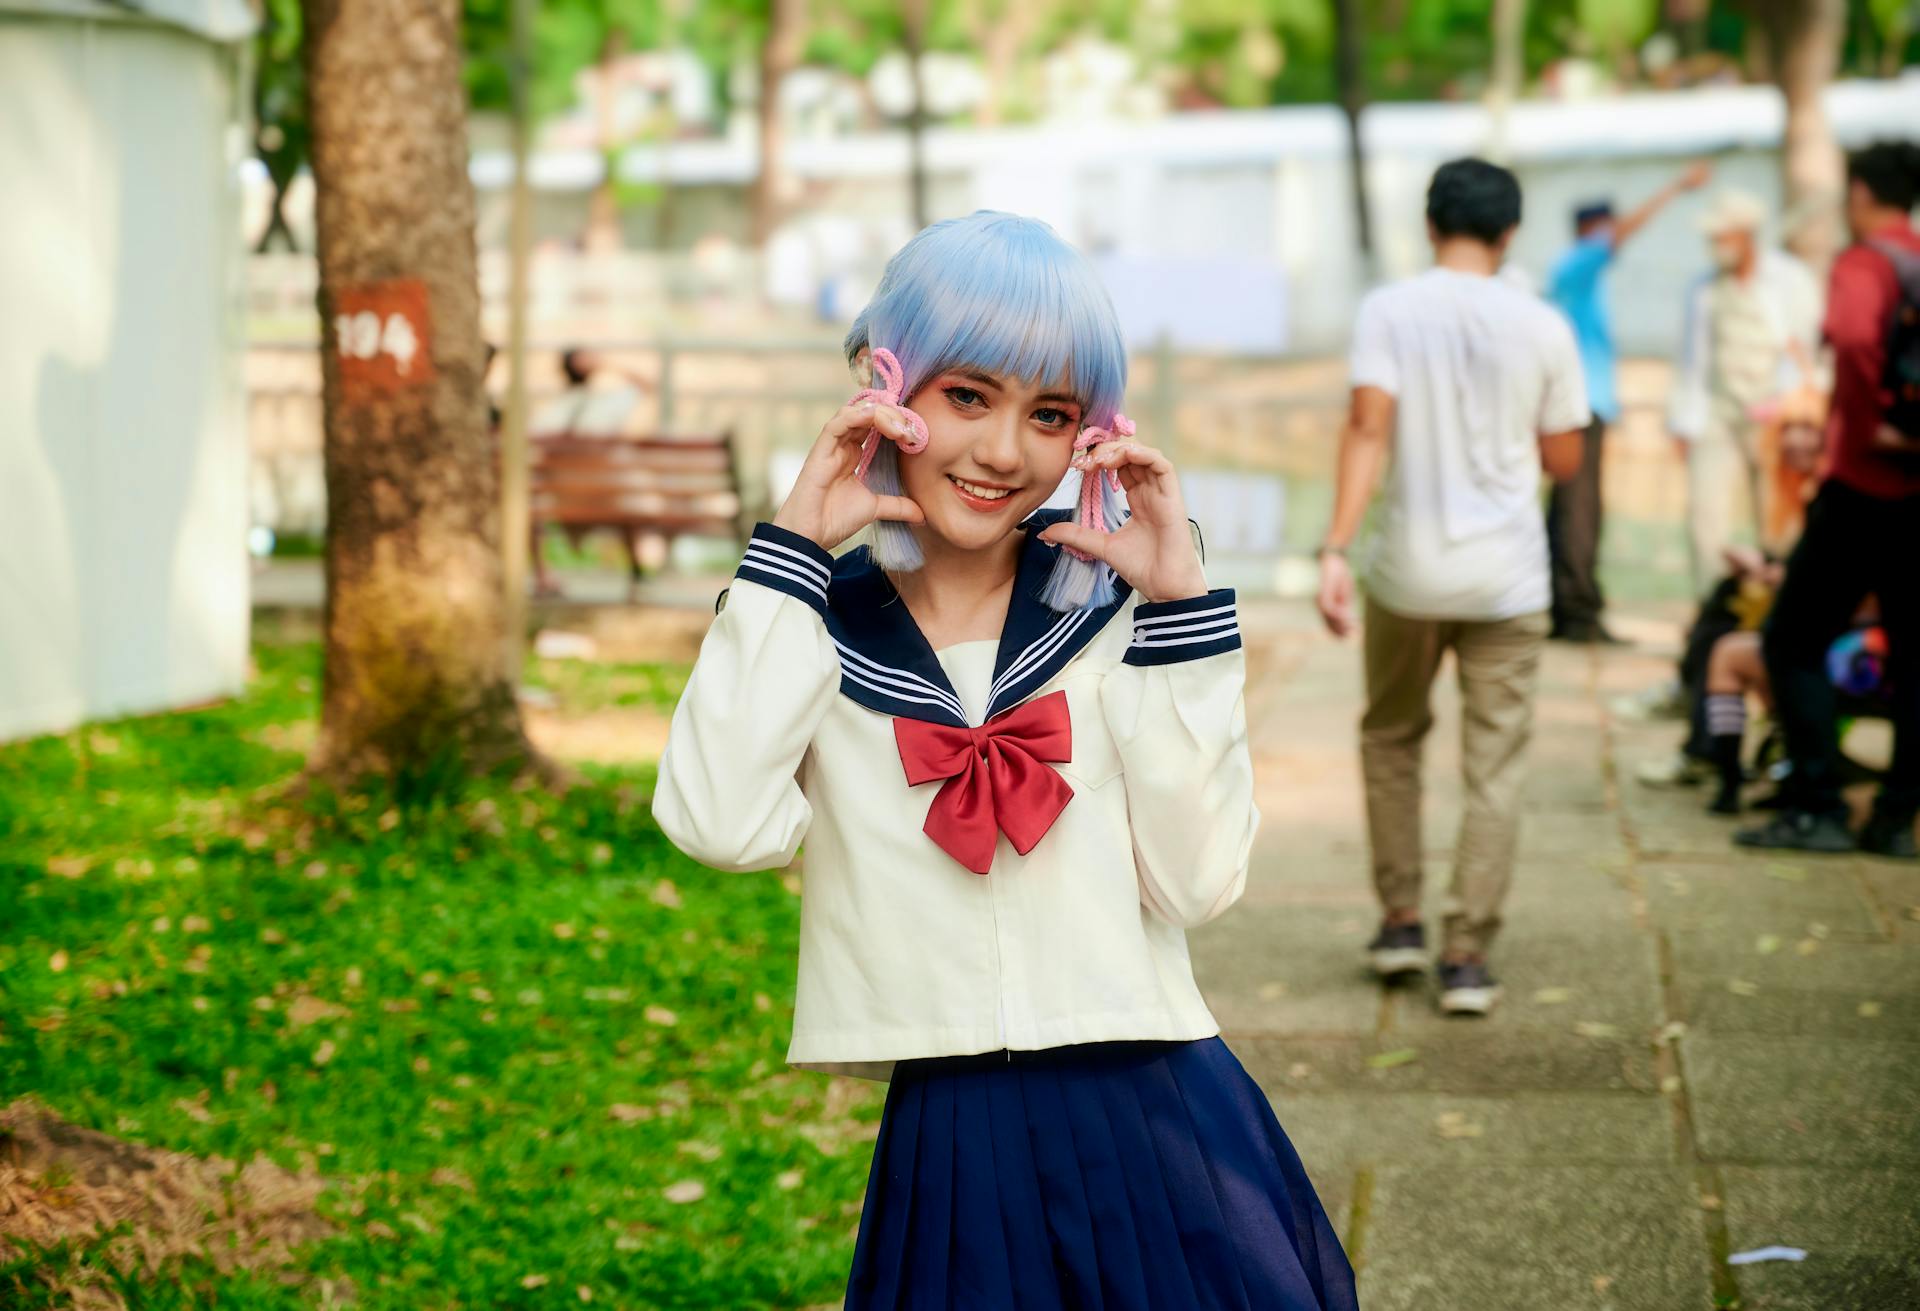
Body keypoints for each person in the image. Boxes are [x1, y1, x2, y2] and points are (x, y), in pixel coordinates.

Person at [653, 212, 1358, 1308]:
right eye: (967, 395)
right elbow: (718, 822)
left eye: (1051, 415)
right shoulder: (810, 627)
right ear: (883, 390)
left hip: (1159, 1106)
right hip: (954, 1134)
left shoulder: (1123, 613)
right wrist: (790, 549)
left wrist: (1180, 615)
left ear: (1092, 435)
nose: (1002, 451)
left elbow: (1198, 882)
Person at [1316, 160, 1590, 1016]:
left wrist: (1334, 547)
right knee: (1495, 767)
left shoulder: (1389, 310)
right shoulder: (1544, 323)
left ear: (1431, 225)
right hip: (1508, 581)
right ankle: (1466, 954)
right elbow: (1564, 458)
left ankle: (1401, 922)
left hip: (1408, 575)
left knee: (1392, 738)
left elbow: (1368, 426)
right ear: (1509, 234)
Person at [1736, 141, 1920, 858]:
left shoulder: (1867, 262)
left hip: (1864, 486)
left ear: (1860, 194)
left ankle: (1819, 804)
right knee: (1913, 657)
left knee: (1792, 637)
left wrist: (1870, 418)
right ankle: (1898, 819)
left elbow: (1846, 332)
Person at [1545, 160, 1712, 643]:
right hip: (1581, 406)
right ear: (1590, 229)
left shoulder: (1577, 273)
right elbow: (1622, 234)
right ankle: (1577, 613)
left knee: (1570, 509)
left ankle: (1568, 606)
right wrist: (1677, 186)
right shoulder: (1579, 262)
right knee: (1580, 509)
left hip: (1581, 403)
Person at [1667, 190, 1823, 597]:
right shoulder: (1703, 288)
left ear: (1746, 235)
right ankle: (1711, 610)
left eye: (1724, 237)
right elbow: (1692, 359)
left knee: (1777, 522)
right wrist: (1683, 422)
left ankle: (1777, 612)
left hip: (1776, 417)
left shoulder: (1789, 280)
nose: (1717, 246)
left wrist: (1790, 410)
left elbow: (1805, 351)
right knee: (1706, 518)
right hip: (1719, 414)